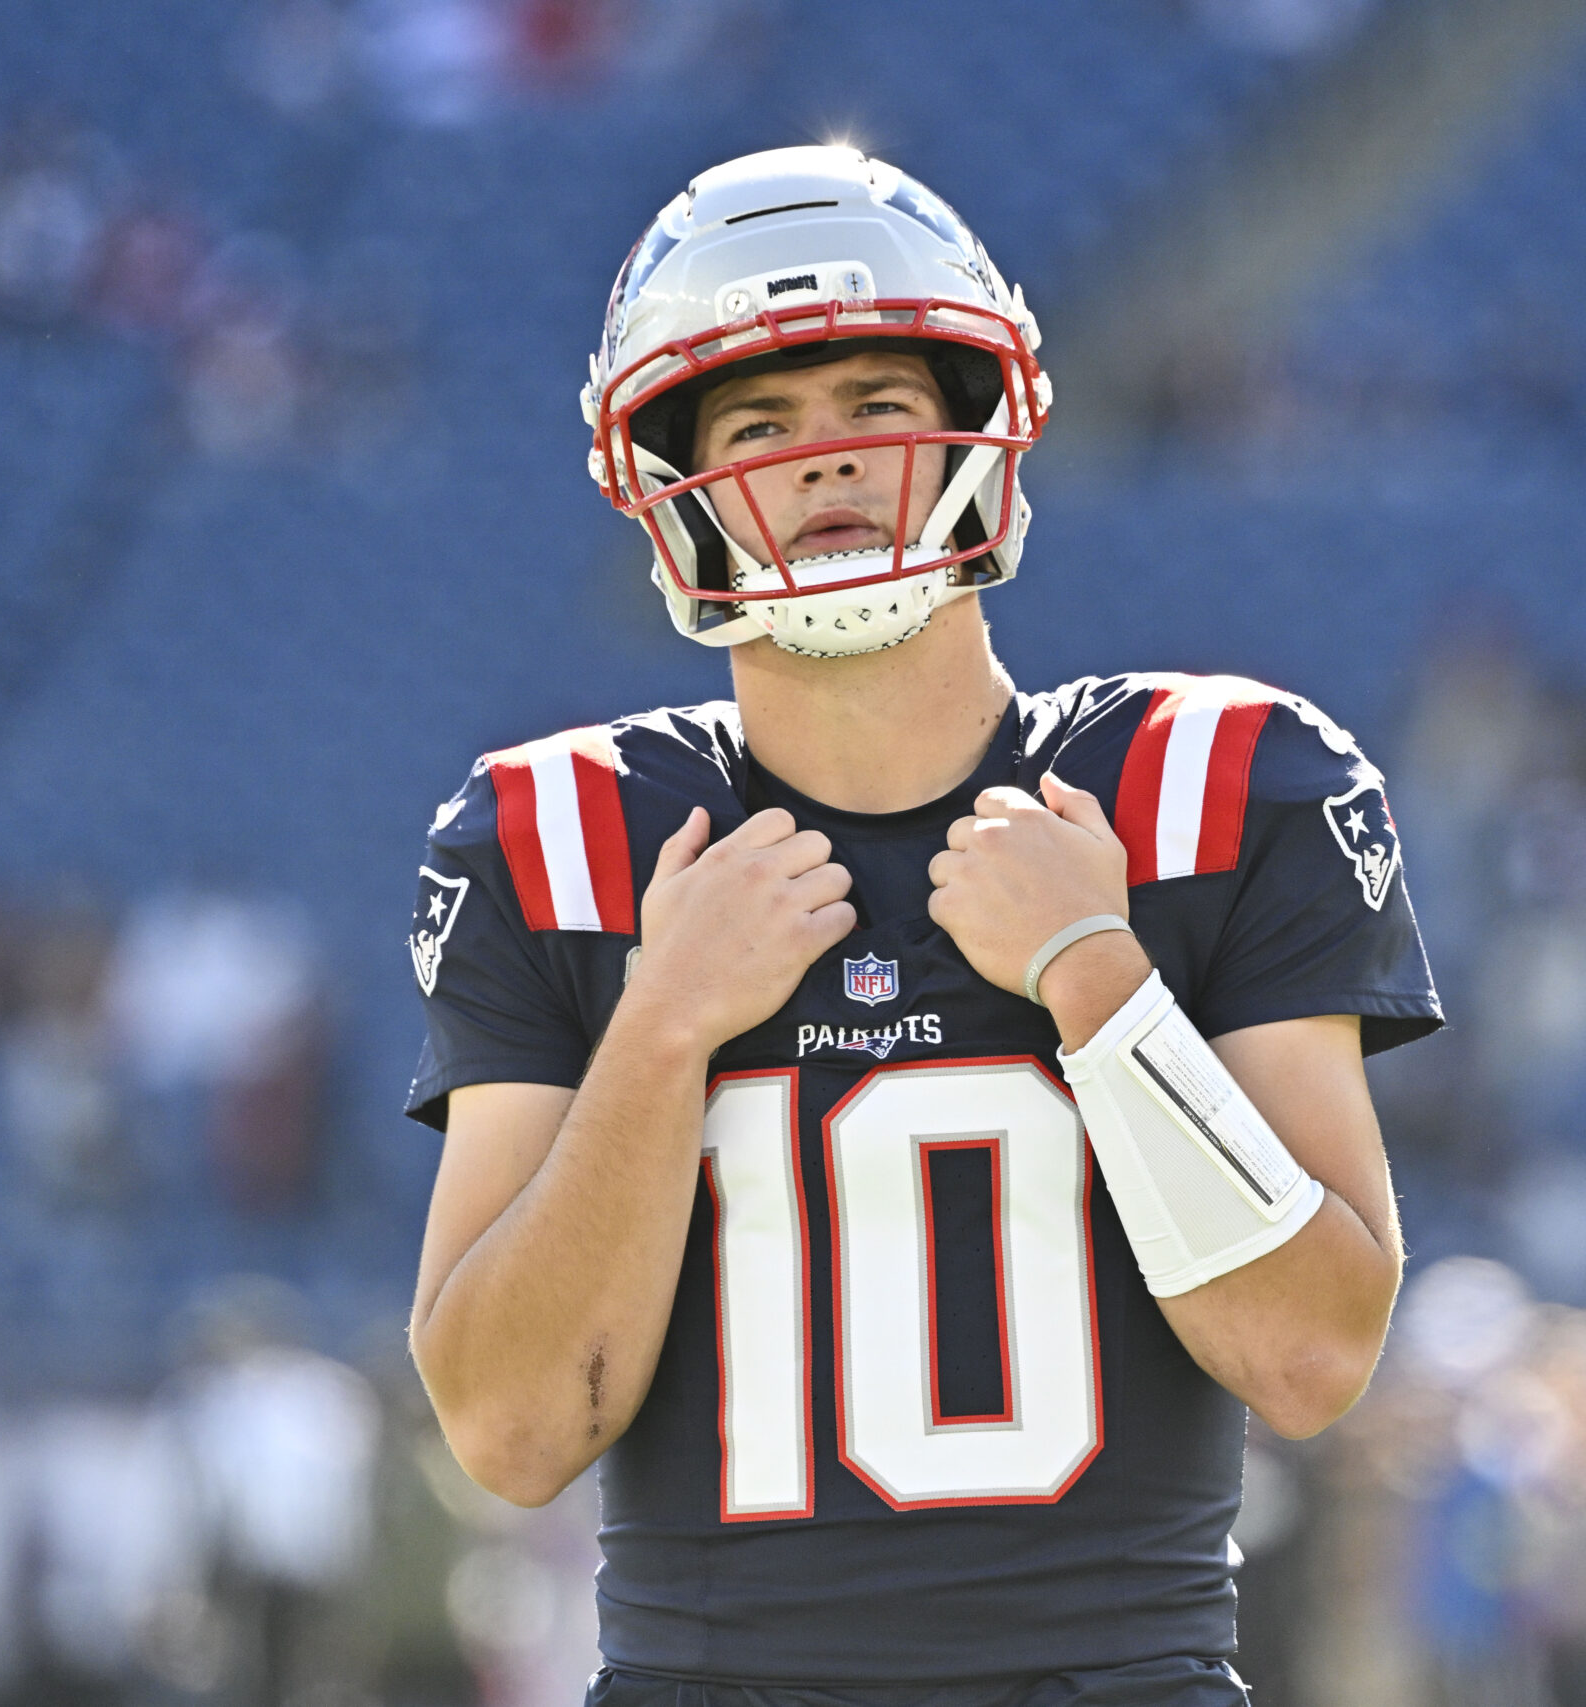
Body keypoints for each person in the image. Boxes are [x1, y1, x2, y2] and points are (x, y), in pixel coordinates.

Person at [404, 145, 1443, 1703]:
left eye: (874, 405)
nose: (823, 462)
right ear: (671, 482)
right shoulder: (565, 837)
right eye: (760, 425)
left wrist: (1098, 978)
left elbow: (1313, 1357)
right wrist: (663, 1022)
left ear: (979, 421)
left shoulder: (1211, 787)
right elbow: (510, 1431)